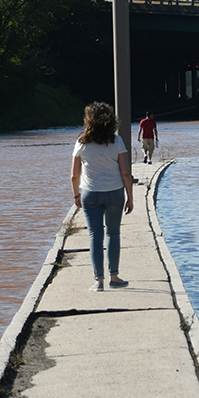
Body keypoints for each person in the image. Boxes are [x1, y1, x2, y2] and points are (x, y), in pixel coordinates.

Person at [71, 102, 134, 292]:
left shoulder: (81, 142)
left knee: (94, 236)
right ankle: (114, 277)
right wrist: (130, 197)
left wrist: (76, 195)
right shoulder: (116, 141)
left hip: (90, 194)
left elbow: (74, 174)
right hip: (114, 193)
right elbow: (125, 173)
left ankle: (98, 281)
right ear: (111, 120)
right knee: (113, 234)